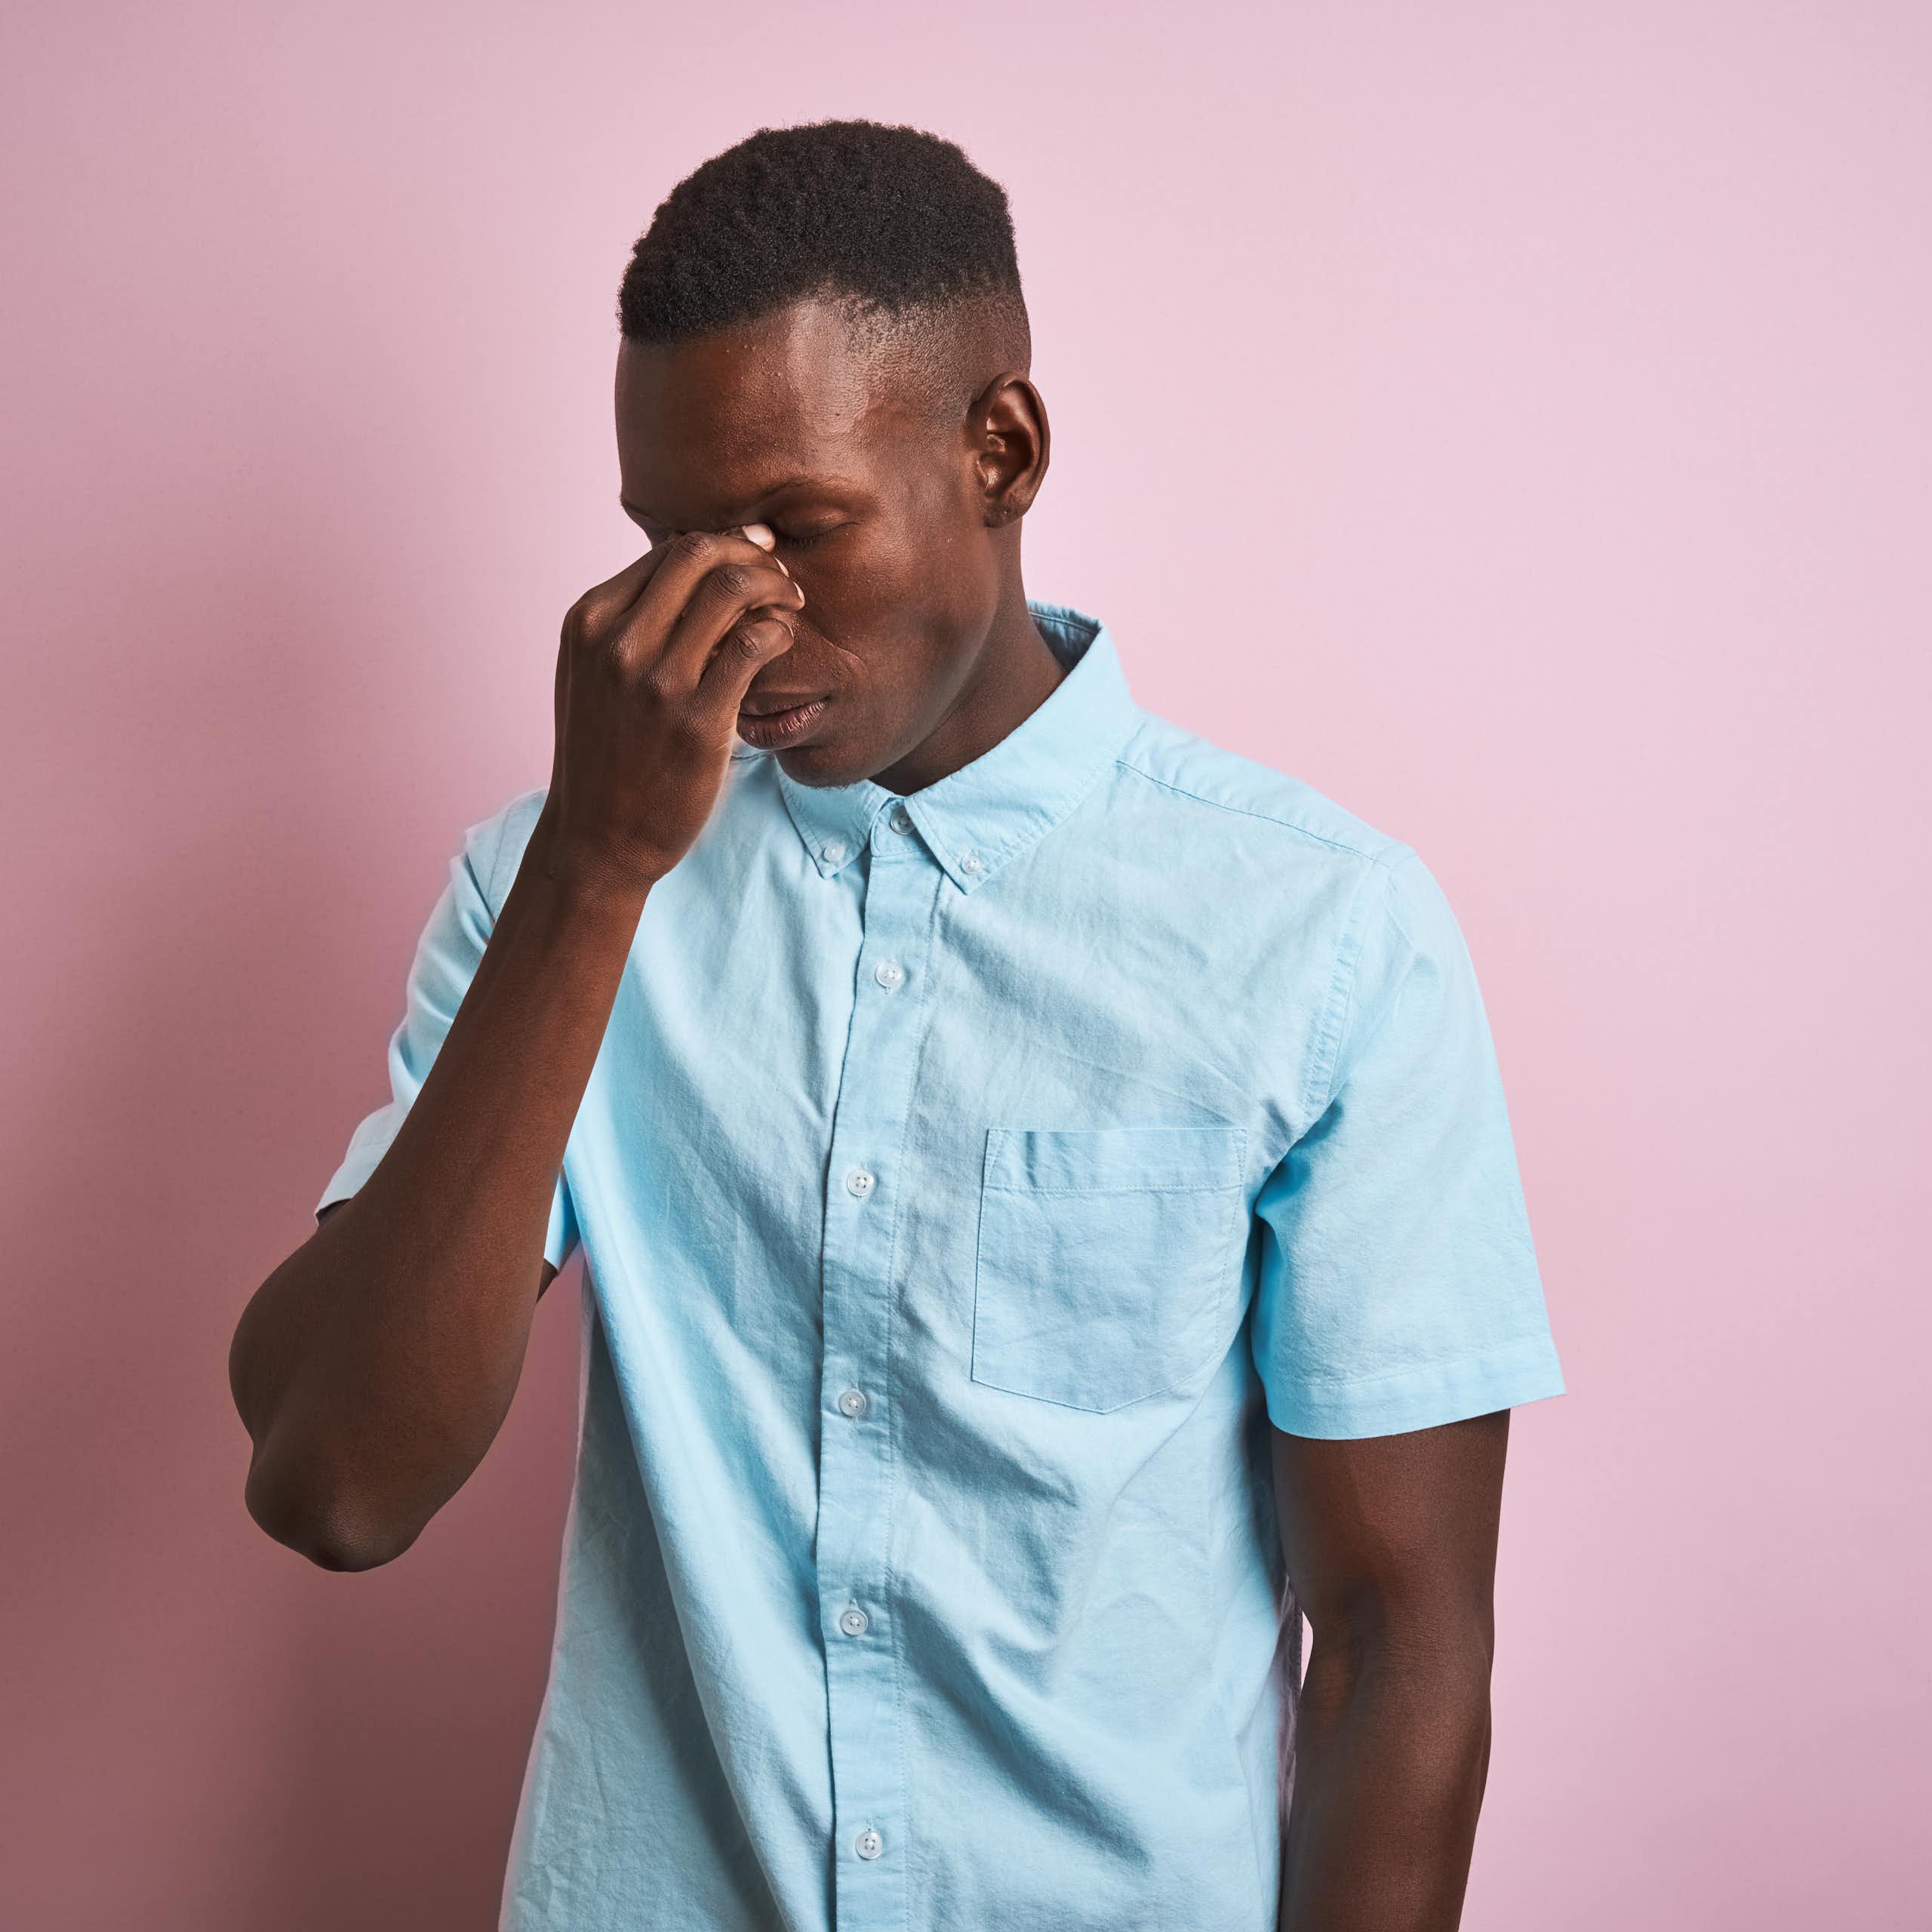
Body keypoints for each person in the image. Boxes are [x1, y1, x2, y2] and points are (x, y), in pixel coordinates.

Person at [227, 117, 1563, 1932]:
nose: (731, 607)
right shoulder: (550, 891)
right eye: (670, 537)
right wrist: (597, 870)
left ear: (999, 451)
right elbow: (336, 1477)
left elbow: (1404, 1646)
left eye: (793, 523)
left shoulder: (1318, 931)